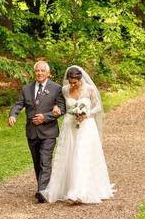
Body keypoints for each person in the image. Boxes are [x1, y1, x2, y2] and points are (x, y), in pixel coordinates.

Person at [45, 66, 113, 204]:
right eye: (70, 82)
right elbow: (62, 105)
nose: (72, 85)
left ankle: (79, 192)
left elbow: (97, 107)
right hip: (70, 126)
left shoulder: (90, 89)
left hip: (87, 126)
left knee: (82, 155)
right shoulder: (65, 90)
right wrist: (57, 108)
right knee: (69, 154)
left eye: (75, 82)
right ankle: (68, 187)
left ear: (80, 80)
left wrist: (86, 114)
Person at [8, 61, 66, 203]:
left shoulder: (57, 88)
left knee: (45, 161)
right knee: (37, 161)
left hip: (48, 132)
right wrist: (13, 114)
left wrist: (45, 117)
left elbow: (62, 109)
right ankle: (43, 187)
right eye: (37, 71)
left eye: (42, 71)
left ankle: (42, 191)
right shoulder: (26, 88)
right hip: (32, 132)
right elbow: (19, 104)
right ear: (34, 73)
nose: (39, 73)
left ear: (48, 73)